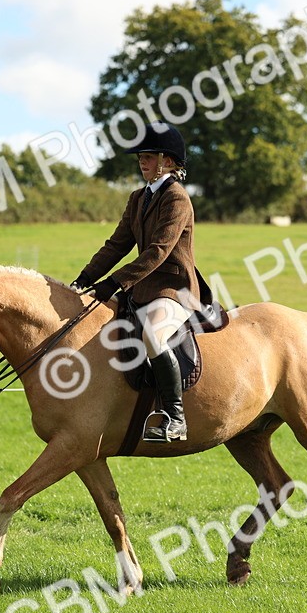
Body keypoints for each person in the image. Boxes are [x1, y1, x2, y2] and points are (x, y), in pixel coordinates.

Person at [72, 122, 200, 443]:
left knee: (152, 336)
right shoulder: (138, 198)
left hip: (174, 289)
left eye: (149, 156)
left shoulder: (177, 199)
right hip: (142, 288)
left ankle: (175, 417)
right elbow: (117, 244)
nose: (142, 162)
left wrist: (113, 282)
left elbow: (157, 252)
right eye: (140, 157)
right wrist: (86, 277)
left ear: (168, 162)